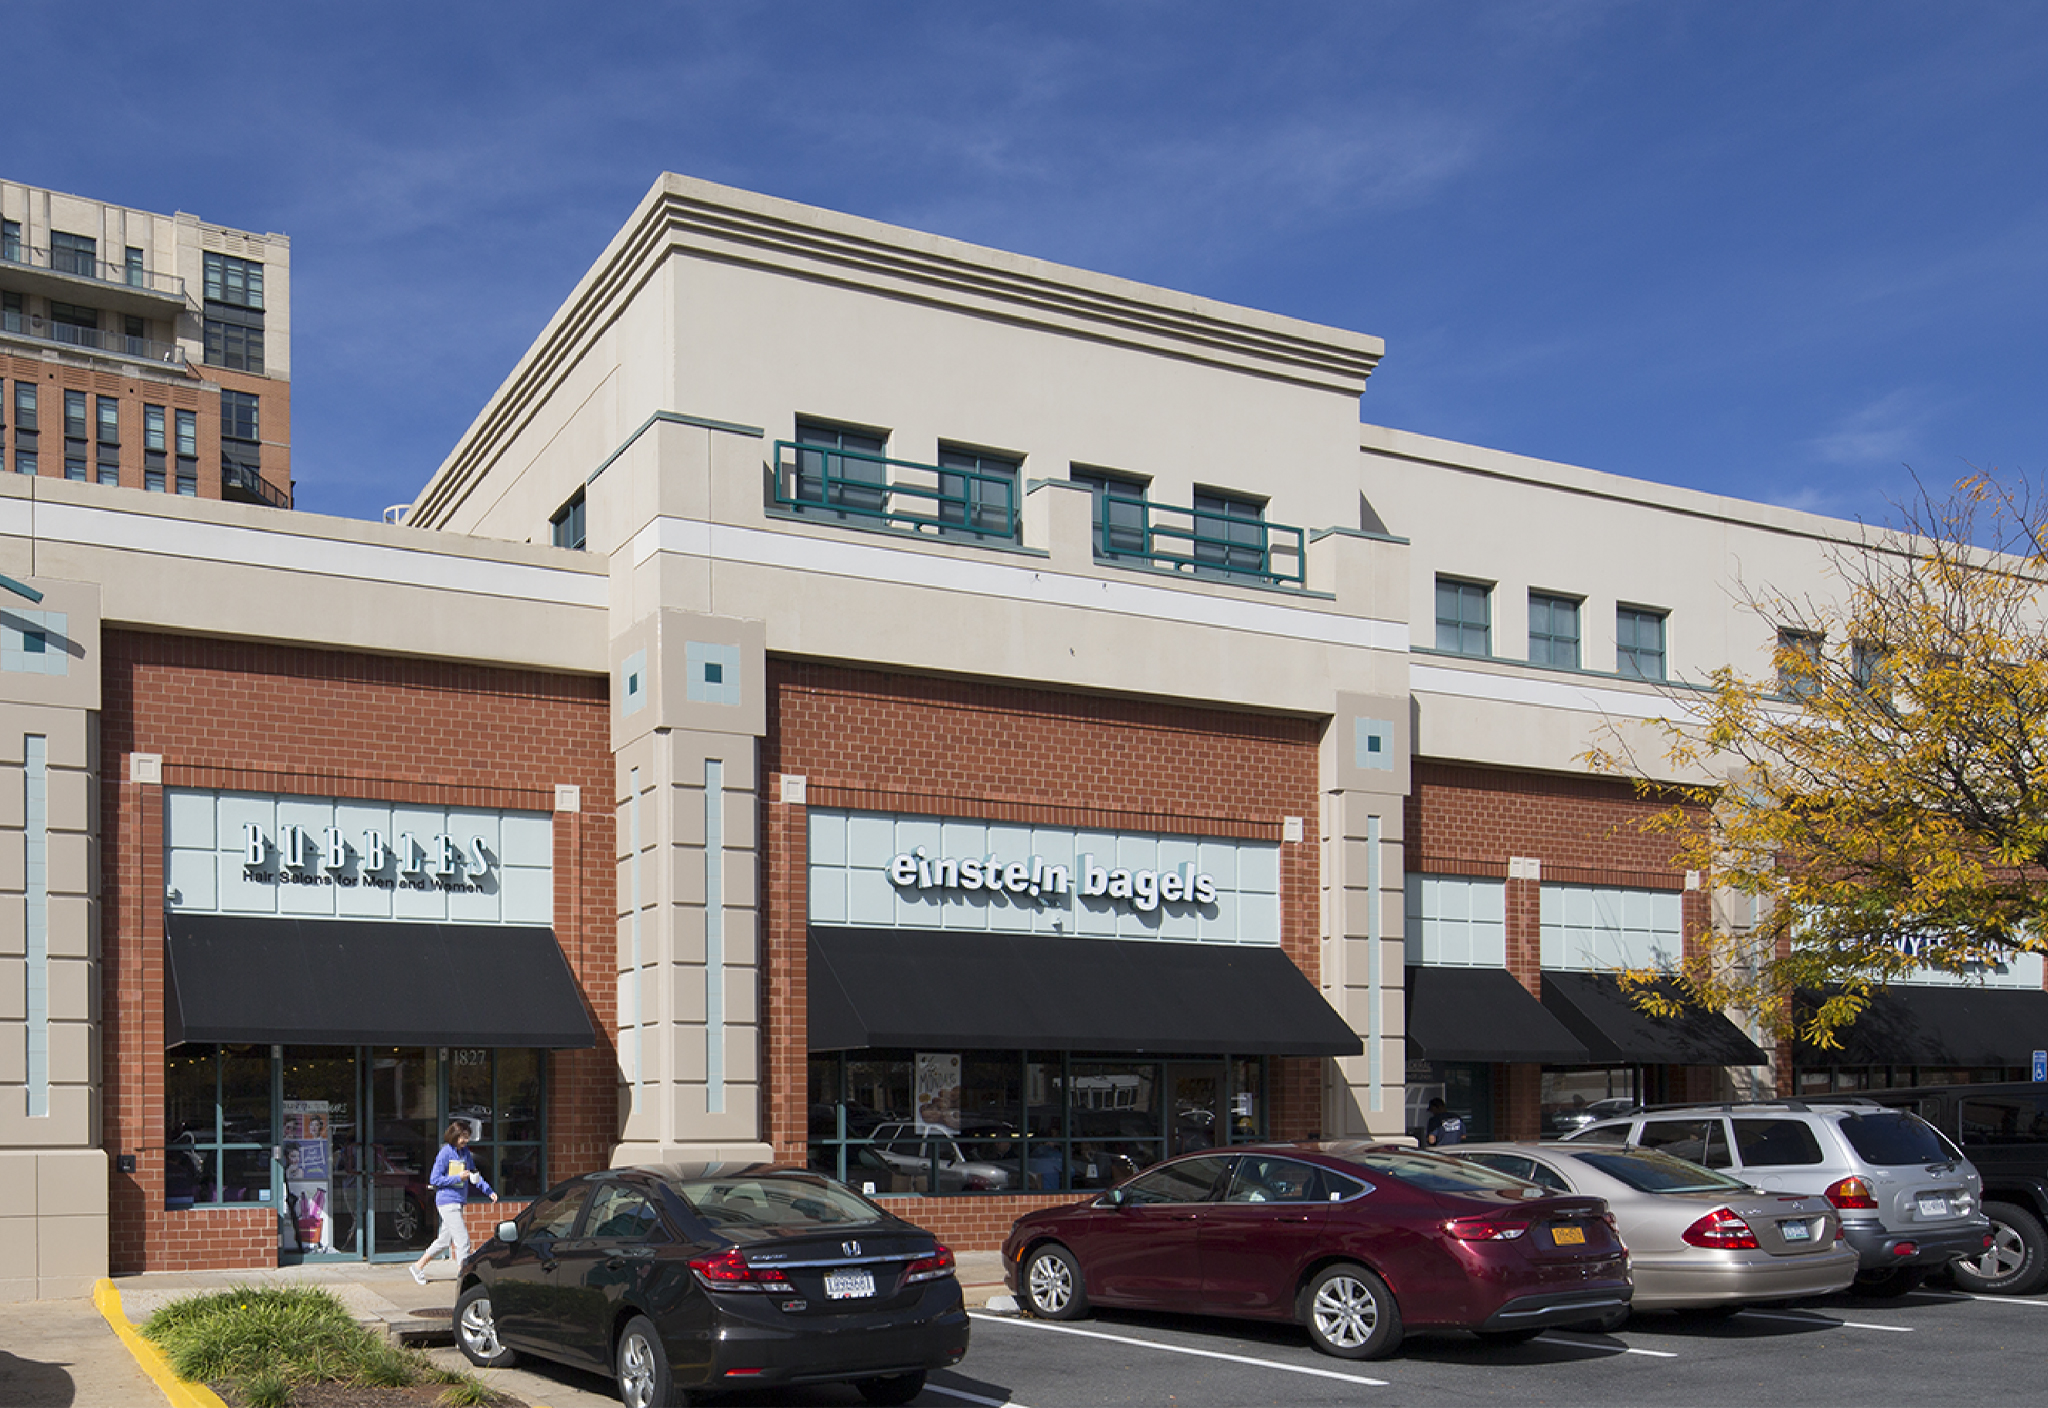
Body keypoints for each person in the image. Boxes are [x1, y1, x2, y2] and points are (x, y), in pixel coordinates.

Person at [410, 1122, 497, 1284]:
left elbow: (473, 1175)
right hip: (446, 1202)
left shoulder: (465, 1153)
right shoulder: (445, 1153)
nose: (466, 1140)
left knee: (444, 1241)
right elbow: (435, 1179)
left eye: (467, 1137)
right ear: (454, 1136)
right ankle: (464, 1279)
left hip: (458, 1202)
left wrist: (489, 1191)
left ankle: (417, 1266)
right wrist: (458, 1178)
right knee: (463, 1241)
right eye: (463, 1137)